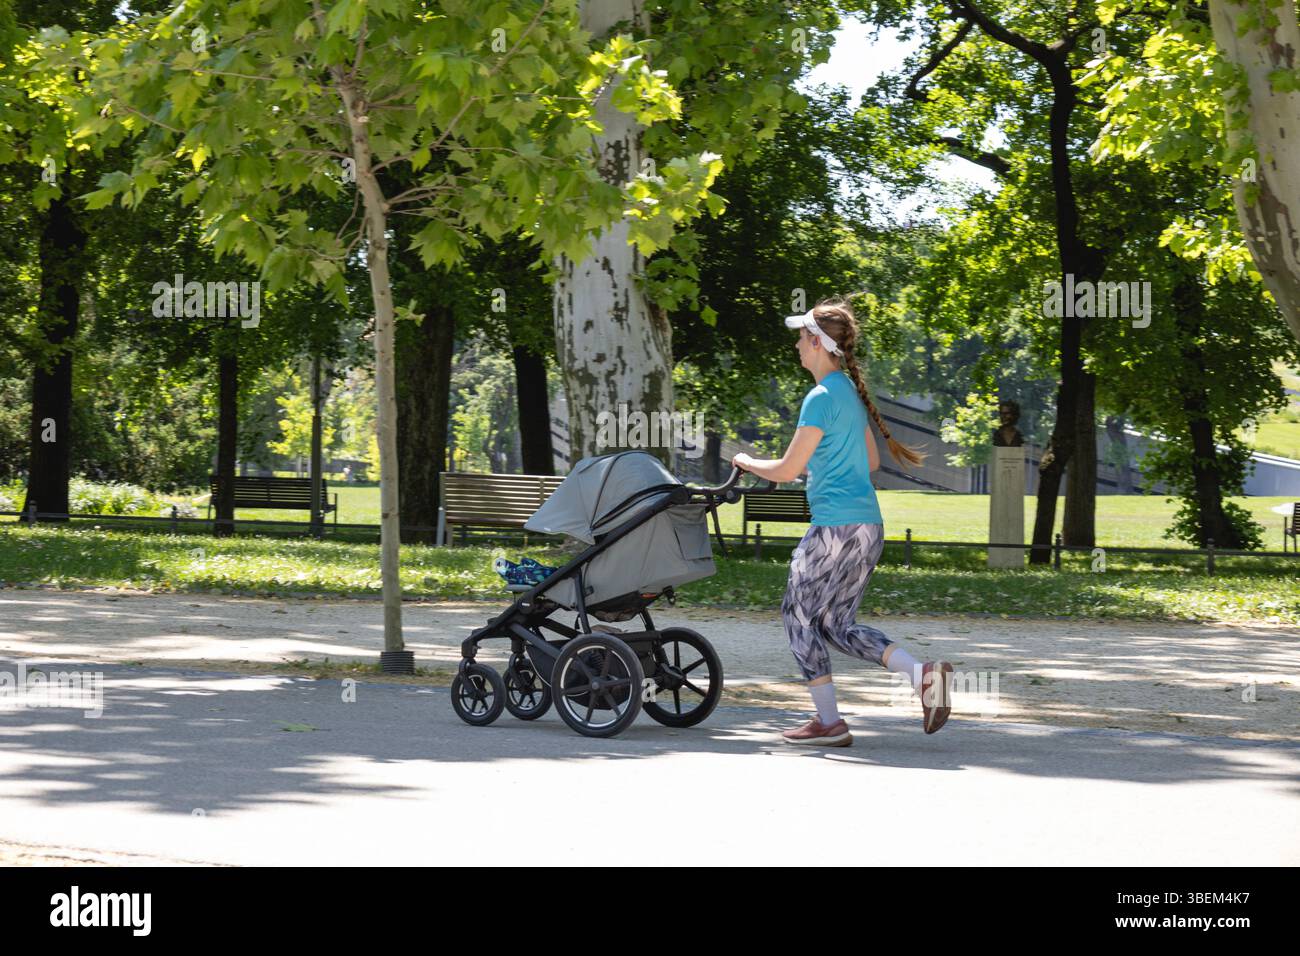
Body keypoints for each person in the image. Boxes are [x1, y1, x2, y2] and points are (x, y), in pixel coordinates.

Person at [732, 295, 954, 746]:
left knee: (796, 615)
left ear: (816, 343)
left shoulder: (819, 398)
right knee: (836, 625)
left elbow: (787, 471)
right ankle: (923, 675)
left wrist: (746, 460)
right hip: (868, 528)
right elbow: (870, 460)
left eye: (801, 337)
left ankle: (829, 723)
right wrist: (827, 464)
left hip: (834, 529)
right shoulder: (848, 394)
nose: (796, 345)